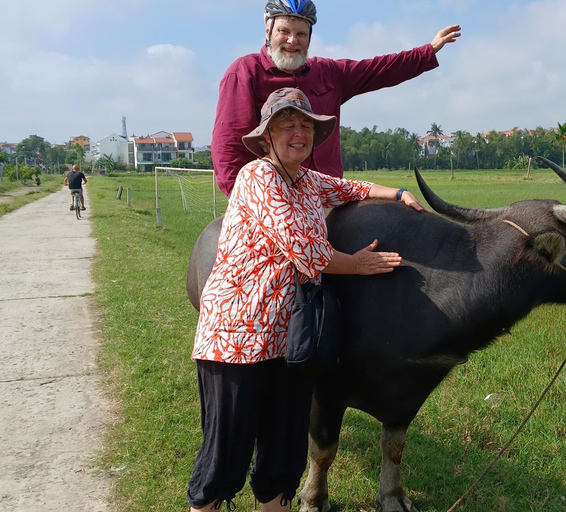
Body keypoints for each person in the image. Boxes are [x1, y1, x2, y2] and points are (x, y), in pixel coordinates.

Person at [187, 87, 425, 512]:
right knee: (225, 458)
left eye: (306, 126)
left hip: (291, 339)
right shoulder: (258, 176)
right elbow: (307, 250)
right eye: (287, 125)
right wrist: (358, 264)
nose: (298, 133)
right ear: (267, 137)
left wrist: (398, 192)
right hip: (237, 338)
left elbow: (351, 186)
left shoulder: (308, 180)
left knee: (282, 455)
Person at [212, 0, 461, 196]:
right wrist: (244, 200)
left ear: (310, 36)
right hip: (274, 196)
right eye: (284, 31)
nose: (292, 41)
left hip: (329, 194)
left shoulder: (328, 73)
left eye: (301, 33)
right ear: (268, 30)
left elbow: (379, 69)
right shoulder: (244, 73)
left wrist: (427, 51)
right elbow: (229, 147)